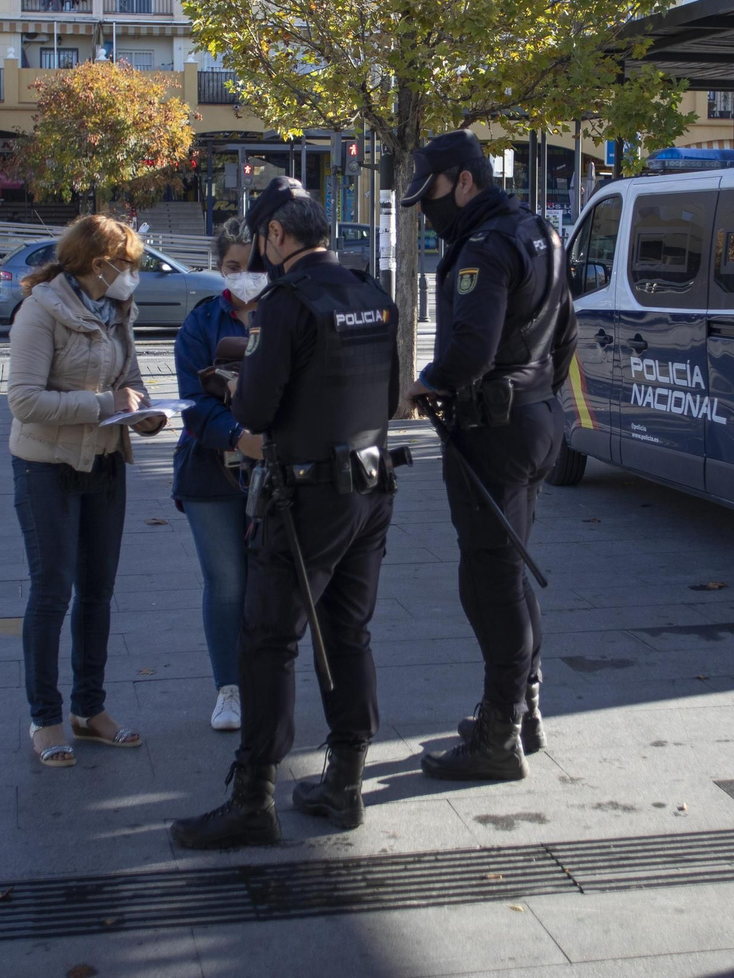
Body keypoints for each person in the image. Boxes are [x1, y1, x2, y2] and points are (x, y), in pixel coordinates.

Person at [171, 178, 400, 849]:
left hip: (306, 496)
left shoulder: (286, 304)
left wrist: (244, 383)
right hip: (371, 486)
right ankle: (346, 781)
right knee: (349, 633)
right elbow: (389, 395)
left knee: (268, 639)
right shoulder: (371, 292)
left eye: (263, 243)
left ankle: (252, 798)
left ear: (275, 236)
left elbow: (254, 412)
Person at [402, 130, 576, 782]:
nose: (428, 208)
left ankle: (500, 731)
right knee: (510, 571)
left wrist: (428, 380)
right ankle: (521, 709)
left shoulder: (484, 245)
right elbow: (567, 337)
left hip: (493, 432)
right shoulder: (541, 232)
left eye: (433, 193)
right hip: (534, 421)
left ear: (465, 182)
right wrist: (532, 395)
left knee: (489, 581)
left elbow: (469, 350)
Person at [7, 214, 166, 768]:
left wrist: (146, 414)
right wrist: (105, 407)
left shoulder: (117, 310)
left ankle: (89, 710)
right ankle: (45, 719)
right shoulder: (40, 310)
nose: (133, 276)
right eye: (129, 265)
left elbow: (132, 383)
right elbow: (24, 401)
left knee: (97, 591)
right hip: (45, 467)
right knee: (52, 591)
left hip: (104, 464)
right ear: (98, 264)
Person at [171, 219, 267, 731]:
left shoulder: (287, 314)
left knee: (266, 582)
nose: (244, 276)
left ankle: (264, 682)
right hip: (210, 469)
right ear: (219, 267)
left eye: (253, 266)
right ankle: (228, 689)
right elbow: (192, 406)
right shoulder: (203, 322)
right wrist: (236, 435)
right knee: (227, 582)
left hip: (275, 469)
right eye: (233, 267)